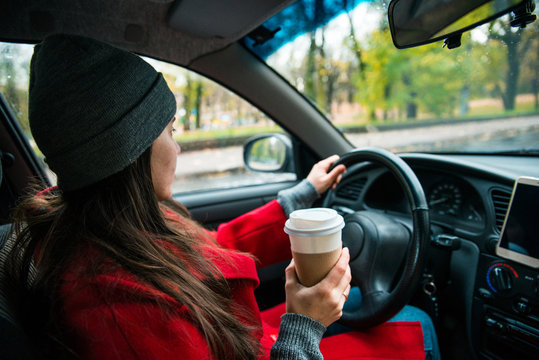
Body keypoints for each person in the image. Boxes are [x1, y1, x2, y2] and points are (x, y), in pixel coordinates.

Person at [7, 34, 434, 359]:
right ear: (130, 152)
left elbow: (214, 251)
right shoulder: (120, 312)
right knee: (419, 323)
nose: (176, 149)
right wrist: (304, 327)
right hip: (267, 345)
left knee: (365, 304)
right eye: (170, 132)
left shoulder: (114, 225)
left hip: (246, 336)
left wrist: (302, 195)